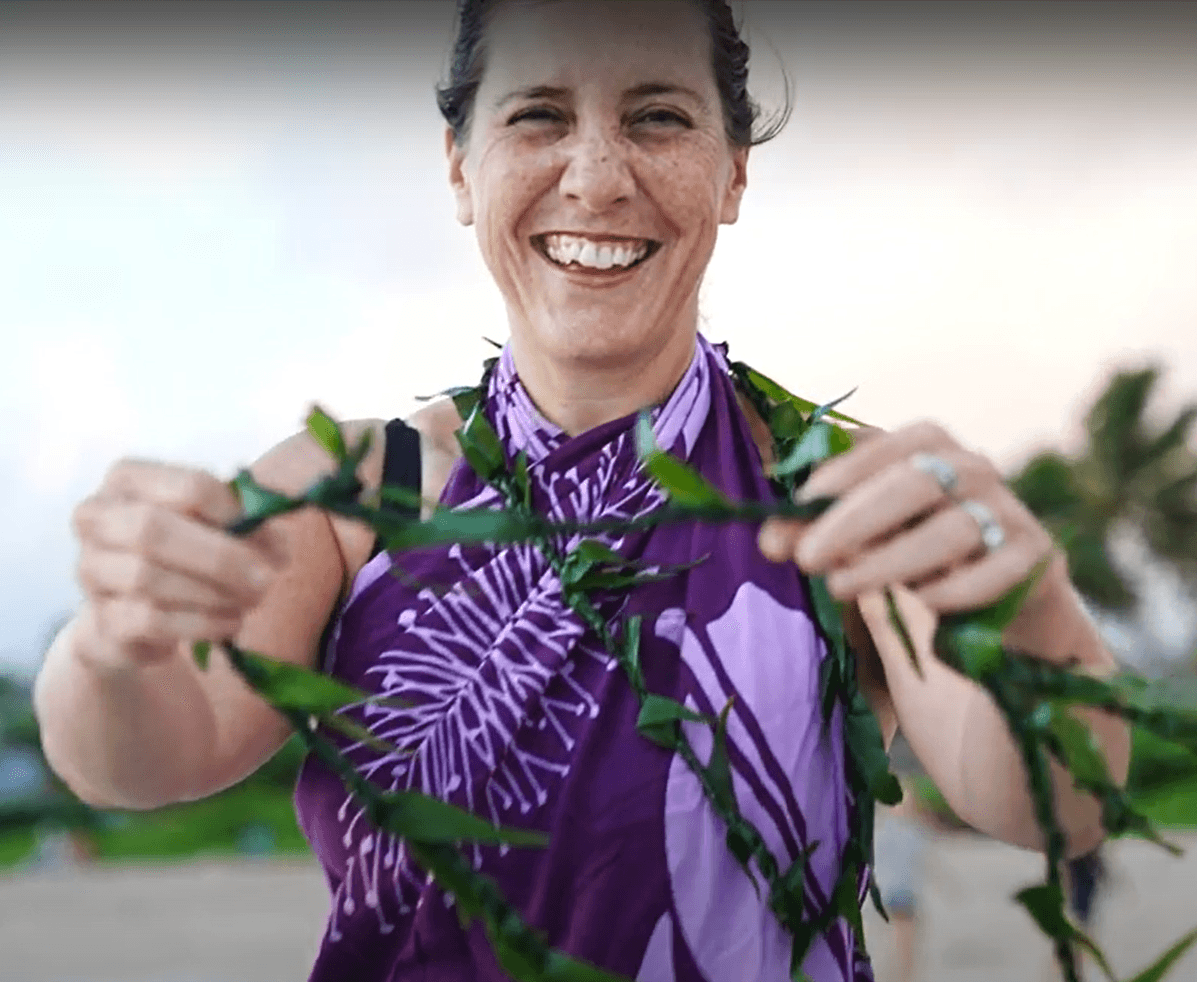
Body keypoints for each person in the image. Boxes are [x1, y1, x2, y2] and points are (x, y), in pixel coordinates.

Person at [33, 2, 1131, 980]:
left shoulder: (837, 494)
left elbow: (1059, 798)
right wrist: (111, 647)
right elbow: (138, 759)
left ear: (731, 168)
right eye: (537, 116)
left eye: (658, 116)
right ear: (460, 166)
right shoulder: (359, 493)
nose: (597, 176)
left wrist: (1033, 612)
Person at [871, 774, 931, 982]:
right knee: (906, 935)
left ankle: (900, 970)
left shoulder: (897, 831)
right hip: (900, 891)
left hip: (894, 891)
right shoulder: (909, 832)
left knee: (901, 934)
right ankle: (903, 973)